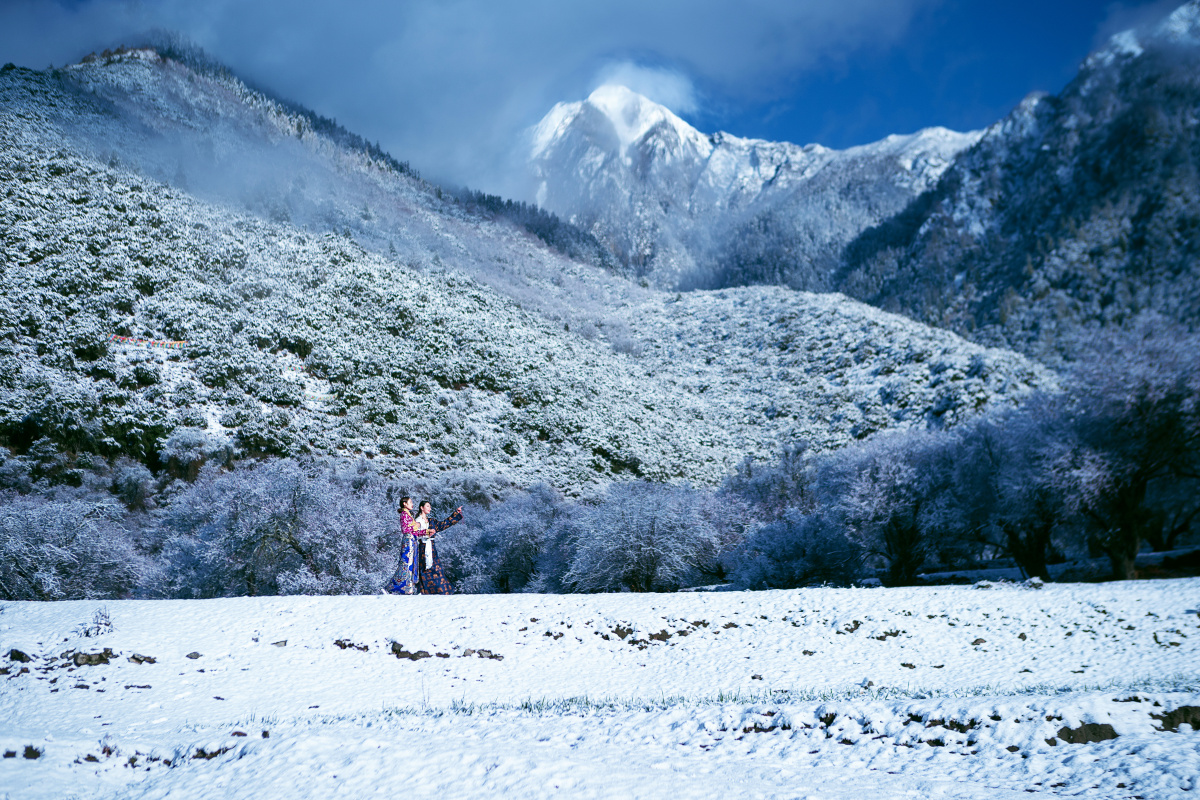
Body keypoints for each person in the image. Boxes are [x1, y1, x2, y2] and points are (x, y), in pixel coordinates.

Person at [413, 500, 462, 595]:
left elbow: (443, 524)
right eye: (427, 506)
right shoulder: (417, 522)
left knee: (438, 569)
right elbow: (415, 534)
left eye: (430, 507)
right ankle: (425, 592)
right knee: (425, 570)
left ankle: (443, 591)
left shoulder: (431, 521)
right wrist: (427, 533)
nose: (429, 508)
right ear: (421, 507)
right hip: (423, 548)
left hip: (432, 547)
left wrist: (455, 513)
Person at [385, 497, 420, 595]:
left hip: (412, 540)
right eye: (410, 502)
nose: (412, 504)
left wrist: (425, 531)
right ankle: (393, 587)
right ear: (404, 504)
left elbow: (414, 530)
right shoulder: (404, 514)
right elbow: (405, 529)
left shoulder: (409, 515)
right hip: (408, 540)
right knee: (405, 563)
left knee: (410, 564)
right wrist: (416, 525)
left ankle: (408, 587)